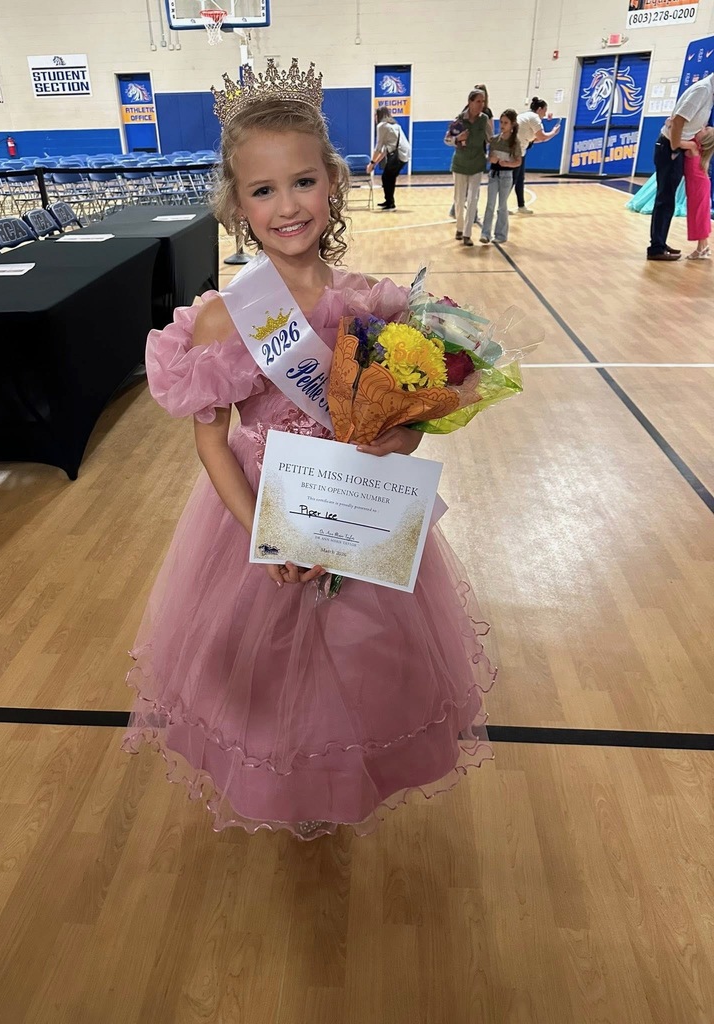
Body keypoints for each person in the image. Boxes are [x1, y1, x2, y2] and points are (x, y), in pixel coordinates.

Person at [122, 59, 497, 841]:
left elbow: (414, 408)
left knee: (355, 658)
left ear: (334, 183)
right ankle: (286, 787)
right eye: (262, 191)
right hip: (261, 513)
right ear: (236, 206)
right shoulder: (230, 317)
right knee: (265, 671)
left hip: (358, 512)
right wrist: (260, 530)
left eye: (302, 183)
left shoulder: (376, 302)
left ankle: (342, 781)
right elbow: (212, 439)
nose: (286, 206)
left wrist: (408, 430)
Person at [647, 72, 714, 261]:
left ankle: (660, 242)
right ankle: (656, 247)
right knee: (665, 198)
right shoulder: (703, 90)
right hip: (670, 148)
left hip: (674, 146)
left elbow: (679, 120)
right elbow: (678, 121)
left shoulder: (708, 93)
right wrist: (677, 146)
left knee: (668, 198)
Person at [445, 88, 490, 246]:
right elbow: (447, 140)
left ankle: (467, 233)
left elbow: (490, 138)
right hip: (460, 164)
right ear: (470, 102)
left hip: (477, 164)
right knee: (459, 199)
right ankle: (459, 227)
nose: (481, 105)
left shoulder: (484, 119)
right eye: (478, 101)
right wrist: (458, 138)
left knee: (473, 199)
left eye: (483, 102)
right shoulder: (459, 119)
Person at [512, 97, 561, 215]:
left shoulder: (526, 116)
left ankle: (521, 206)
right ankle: (502, 206)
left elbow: (534, 139)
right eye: (544, 111)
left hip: (518, 150)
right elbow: (542, 137)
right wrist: (554, 132)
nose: (544, 114)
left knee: (518, 179)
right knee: (513, 179)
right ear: (539, 109)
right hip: (516, 152)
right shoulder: (534, 118)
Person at [480, 109, 522, 245]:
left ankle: (501, 234)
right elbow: (489, 156)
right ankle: (485, 233)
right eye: (501, 122)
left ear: (512, 125)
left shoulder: (515, 142)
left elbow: (518, 161)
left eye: (506, 123)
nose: (502, 125)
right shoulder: (494, 140)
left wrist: (508, 164)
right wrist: (489, 159)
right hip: (493, 174)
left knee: (502, 206)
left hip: (506, 176)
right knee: (490, 204)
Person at [678, 126, 714, 259]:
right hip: (696, 186)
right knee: (699, 215)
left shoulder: (693, 146)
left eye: (705, 129)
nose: (702, 128)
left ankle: (701, 248)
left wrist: (670, 125)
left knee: (699, 215)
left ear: (704, 139)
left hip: (698, 187)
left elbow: (676, 142)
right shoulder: (696, 145)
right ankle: (704, 246)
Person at [367, 105, 410, 211]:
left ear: (378, 115)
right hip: (403, 154)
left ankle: (390, 203)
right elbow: (385, 150)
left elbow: (378, 147)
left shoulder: (382, 126)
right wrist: (375, 163)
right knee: (388, 177)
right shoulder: (394, 125)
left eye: (375, 115)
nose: (374, 118)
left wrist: (371, 163)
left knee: (387, 177)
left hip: (398, 154)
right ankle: (389, 201)